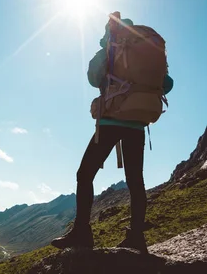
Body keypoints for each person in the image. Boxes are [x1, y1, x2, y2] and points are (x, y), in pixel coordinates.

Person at [51, 13, 174, 253]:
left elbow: (92, 78)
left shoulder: (111, 47)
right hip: (137, 123)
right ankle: (136, 236)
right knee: (135, 180)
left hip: (111, 120)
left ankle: (82, 233)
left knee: (85, 174)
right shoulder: (147, 48)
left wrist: (106, 55)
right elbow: (167, 84)